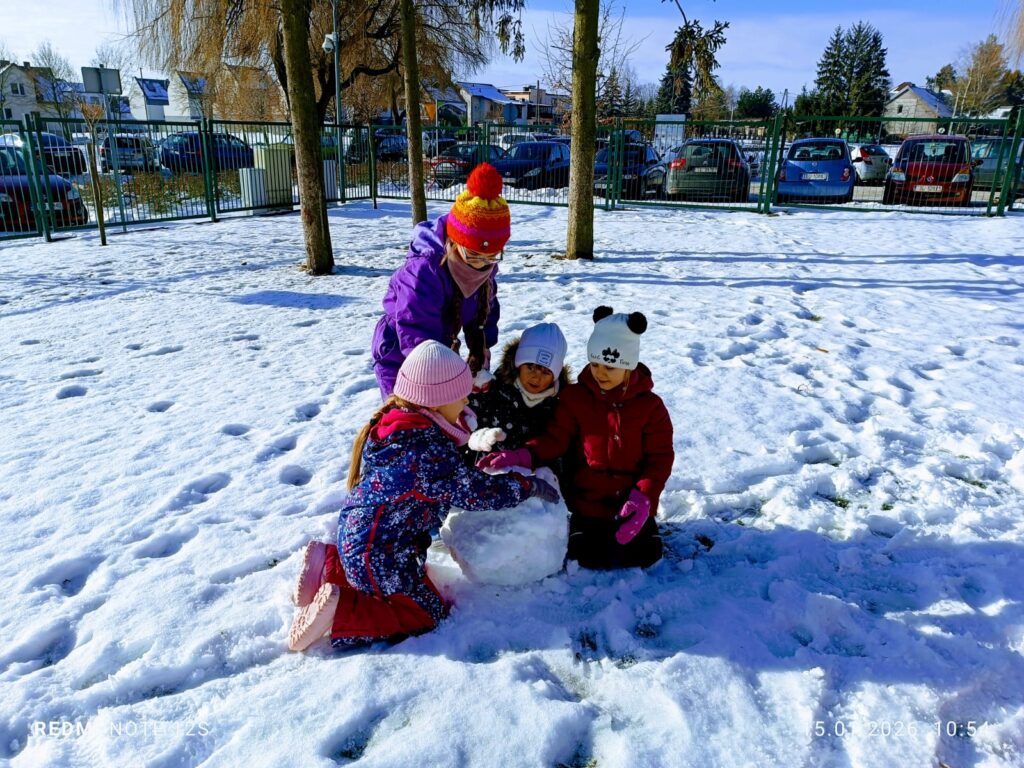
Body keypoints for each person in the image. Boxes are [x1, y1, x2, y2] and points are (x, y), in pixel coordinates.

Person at [288, 340, 558, 652]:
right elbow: (476, 492)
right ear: (437, 400)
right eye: (461, 395)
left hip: (360, 540)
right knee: (425, 612)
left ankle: (328, 566)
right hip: (381, 555)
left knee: (397, 582)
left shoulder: (397, 424)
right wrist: (526, 487)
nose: (468, 399)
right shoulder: (426, 453)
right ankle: (342, 613)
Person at [478, 307, 674, 570]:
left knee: (646, 555)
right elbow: (555, 439)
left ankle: (639, 524)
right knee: (587, 557)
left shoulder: (651, 408)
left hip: (631, 498)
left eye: (610, 367)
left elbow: (659, 457)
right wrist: (522, 455)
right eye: (594, 364)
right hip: (587, 501)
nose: (600, 373)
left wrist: (644, 496)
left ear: (629, 366)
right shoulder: (576, 398)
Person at [372, 163, 511, 399]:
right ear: (455, 242)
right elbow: (417, 329)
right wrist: (445, 376)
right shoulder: (424, 271)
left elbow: (485, 310)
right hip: (403, 353)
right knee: (410, 417)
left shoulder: (484, 270)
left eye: (491, 257)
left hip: (440, 349)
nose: (481, 264)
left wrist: (482, 348)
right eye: (473, 255)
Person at [465, 322, 571, 466]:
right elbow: (467, 421)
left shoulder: (559, 404)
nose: (536, 377)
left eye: (546, 372)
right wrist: (476, 438)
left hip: (533, 474)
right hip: (489, 468)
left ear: (555, 376)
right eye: (531, 367)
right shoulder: (493, 389)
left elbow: (556, 444)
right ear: (518, 365)